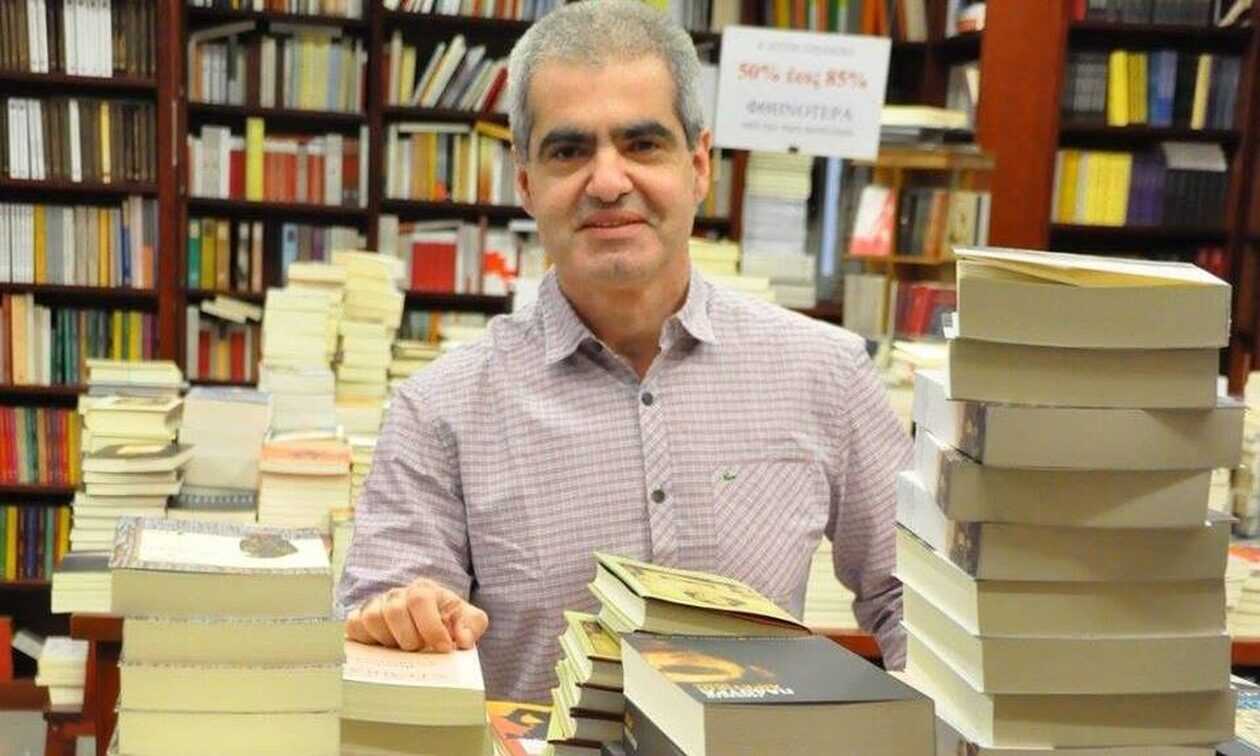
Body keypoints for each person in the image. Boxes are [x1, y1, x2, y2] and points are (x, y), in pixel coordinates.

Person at [337, 0, 911, 703]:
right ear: (526, 184)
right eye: (569, 151)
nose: (608, 183)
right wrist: (408, 622)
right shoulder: (439, 411)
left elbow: (913, 598)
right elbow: (386, 620)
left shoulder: (825, 374)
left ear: (699, 166)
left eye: (642, 145)